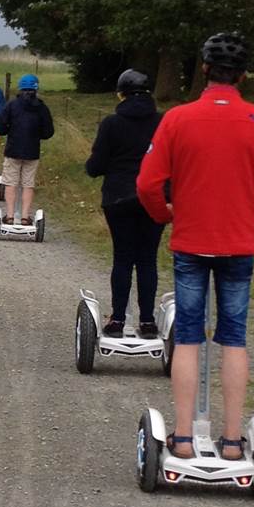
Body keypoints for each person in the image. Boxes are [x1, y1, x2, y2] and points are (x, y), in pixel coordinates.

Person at [136, 33, 254, 461]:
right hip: (238, 243)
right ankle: (230, 440)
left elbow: (148, 183)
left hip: (191, 240)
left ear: (203, 70)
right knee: (233, 338)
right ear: (242, 75)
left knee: (188, 336)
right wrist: (247, 214)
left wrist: (167, 214)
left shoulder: (177, 119)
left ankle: (183, 438)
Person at [85, 68, 165, 337]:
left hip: (118, 197)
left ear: (121, 94)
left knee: (122, 257)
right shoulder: (162, 122)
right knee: (147, 259)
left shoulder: (111, 123)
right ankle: (147, 321)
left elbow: (96, 166)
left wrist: (94, 165)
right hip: (154, 197)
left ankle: (118, 319)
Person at [0, 73, 54, 223]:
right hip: (32, 151)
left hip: (13, 149)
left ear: (20, 89)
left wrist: (10, 130)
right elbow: (48, 132)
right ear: (36, 89)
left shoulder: (12, 105)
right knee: (28, 184)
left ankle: (10, 215)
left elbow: (0, 127)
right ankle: (26, 217)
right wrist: (37, 134)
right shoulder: (41, 107)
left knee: (10, 182)